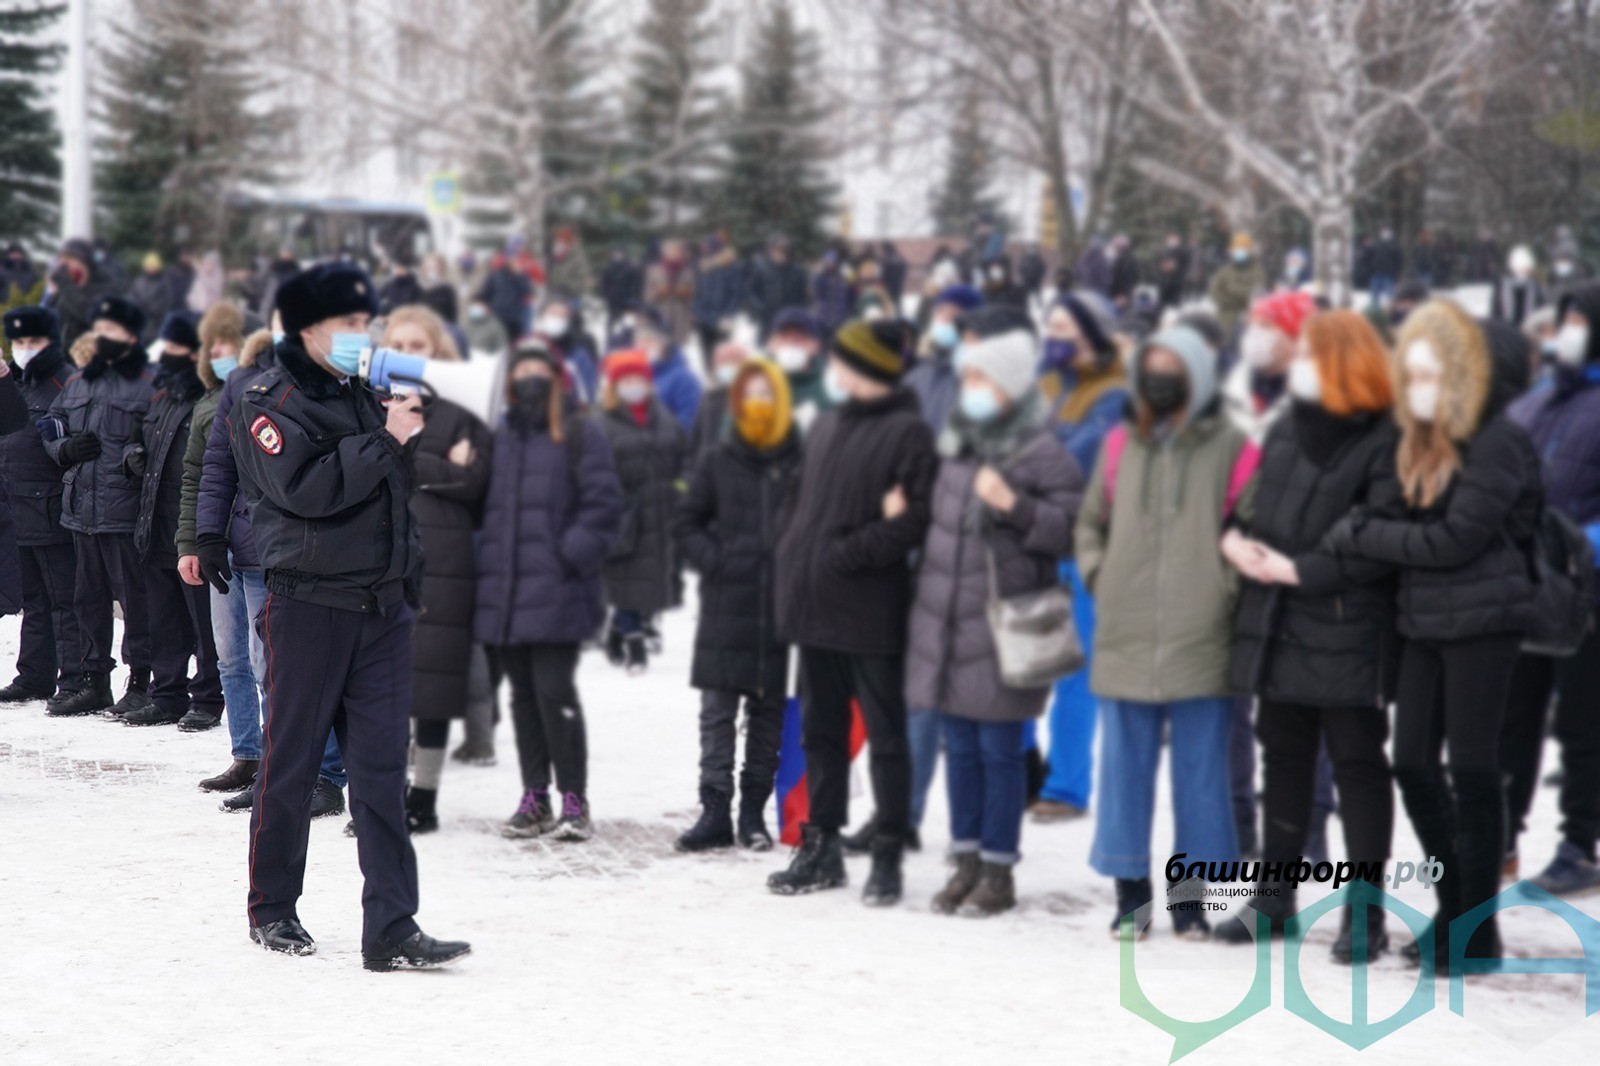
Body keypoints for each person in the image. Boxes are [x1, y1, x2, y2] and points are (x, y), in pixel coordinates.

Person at [229, 261, 470, 969]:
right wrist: (386, 440)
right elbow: (306, 490)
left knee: (378, 772)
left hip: (382, 609)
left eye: (367, 323)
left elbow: (396, 495)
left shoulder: (367, 392)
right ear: (308, 330)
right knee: (292, 763)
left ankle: (392, 925)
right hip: (308, 606)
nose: (362, 336)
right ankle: (273, 907)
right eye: (349, 325)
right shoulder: (266, 399)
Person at [1322, 299, 1542, 970]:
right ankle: (1456, 911)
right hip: (1423, 618)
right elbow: (1398, 518)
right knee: (1412, 760)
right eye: (1407, 373)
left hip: (1484, 617)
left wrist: (1366, 533)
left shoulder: (1498, 439)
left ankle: (1475, 931)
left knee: (1472, 768)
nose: (1414, 385)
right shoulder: (1421, 438)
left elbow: (1456, 539)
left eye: (1426, 373)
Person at [1211, 310, 1402, 963]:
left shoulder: (1385, 437)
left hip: (1347, 622)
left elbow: (1380, 533)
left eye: (1312, 355)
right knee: (1283, 756)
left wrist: (1304, 570)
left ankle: (1364, 911)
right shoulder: (1290, 423)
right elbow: (1257, 499)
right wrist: (1235, 535)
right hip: (1278, 618)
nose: (1297, 364)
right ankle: (1274, 896)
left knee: (1356, 764)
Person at [1078, 324, 1257, 940]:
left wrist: (1222, 592)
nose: (1158, 377)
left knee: (1202, 775)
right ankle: (1132, 899)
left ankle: (1189, 900)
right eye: (1150, 365)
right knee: (1123, 774)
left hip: (1202, 633)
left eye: (1171, 367)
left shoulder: (1234, 446)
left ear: (1199, 375)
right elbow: (1090, 523)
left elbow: (1247, 528)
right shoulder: (1117, 444)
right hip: (1125, 631)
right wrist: (1101, 576)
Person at [906, 328, 1083, 916]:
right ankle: (966, 861)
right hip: (950, 621)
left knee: (1000, 750)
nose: (971, 389)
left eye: (982, 379)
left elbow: (1072, 528)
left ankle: (999, 869)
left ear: (1008, 385)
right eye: (968, 379)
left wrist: (1015, 506)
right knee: (959, 748)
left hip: (1007, 625)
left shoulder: (1041, 452)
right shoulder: (956, 445)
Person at [769, 319, 937, 906]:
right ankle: (822, 846)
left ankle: (888, 851)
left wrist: (846, 553)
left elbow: (914, 519)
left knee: (887, 736)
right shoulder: (827, 424)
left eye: (844, 361)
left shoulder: (909, 432)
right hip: (814, 602)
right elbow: (799, 502)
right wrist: (791, 551)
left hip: (870, 607)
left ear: (868, 367)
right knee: (821, 732)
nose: (834, 370)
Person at [191, 315, 350, 816]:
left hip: (288, 549)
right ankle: (259, 762)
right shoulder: (242, 381)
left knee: (283, 669)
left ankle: (321, 775)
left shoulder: (336, 378)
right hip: (240, 546)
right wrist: (207, 534)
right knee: (237, 659)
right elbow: (217, 463)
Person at [477, 339, 621, 841]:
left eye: (541, 368)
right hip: (508, 591)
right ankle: (534, 794)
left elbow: (604, 507)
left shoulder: (581, 432)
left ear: (557, 377)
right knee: (520, 696)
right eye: (524, 370)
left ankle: (574, 798)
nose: (531, 377)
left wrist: (568, 555)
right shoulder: (502, 436)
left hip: (559, 589)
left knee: (555, 690)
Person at [672, 358, 801, 853]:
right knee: (718, 711)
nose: (759, 404)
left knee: (768, 712)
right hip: (728, 603)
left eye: (768, 395)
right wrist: (716, 560)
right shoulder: (718, 459)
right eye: (750, 394)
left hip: (779, 608)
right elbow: (686, 521)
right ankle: (714, 811)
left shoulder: (799, 461)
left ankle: (752, 814)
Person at [380, 306, 492, 834]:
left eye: (417, 344)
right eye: (398, 342)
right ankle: (383, 792)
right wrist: (438, 463)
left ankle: (422, 794)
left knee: (434, 684)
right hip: (380, 556)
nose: (407, 352)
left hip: (445, 561)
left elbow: (475, 480)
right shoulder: (369, 403)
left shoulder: (460, 409)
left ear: (436, 351)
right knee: (382, 683)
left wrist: (408, 453)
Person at [1503, 285, 1600, 895]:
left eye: (1576, 321)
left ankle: (1579, 841)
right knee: (1510, 716)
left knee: (1584, 720)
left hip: (1585, 591)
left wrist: (1581, 544)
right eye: (1561, 320)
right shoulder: (1536, 402)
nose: (1563, 330)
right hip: (1522, 584)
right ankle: (1500, 835)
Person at [1030, 290, 1129, 824]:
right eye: (1052, 327)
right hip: (1033, 541)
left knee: (1073, 672)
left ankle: (1067, 786)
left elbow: (1075, 462)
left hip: (1081, 547)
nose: (1056, 338)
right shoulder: (1045, 385)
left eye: (1066, 328)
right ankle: (1024, 770)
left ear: (1093, 334)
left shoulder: (1116, 395)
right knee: (1024, 660)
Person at [41, 296, 157, 718]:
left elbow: (159, 439)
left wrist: (137, 457)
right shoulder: (78, 381)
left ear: (130, 335)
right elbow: (49, 425)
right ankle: (94, 682)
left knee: (136, 602)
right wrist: (63, 448)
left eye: (111, 331)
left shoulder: (149, 382)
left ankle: (142, 681)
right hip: (80, 510)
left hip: (123, 511)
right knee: (86, 599)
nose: (102, 337)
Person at [177, 306, 265, 784]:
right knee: (229, 656)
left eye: (226, 343)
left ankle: (277, 759)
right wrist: (190, 542)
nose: (218, 354)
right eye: (212, 346)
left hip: (262, 549)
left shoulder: (271, 392)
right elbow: (199, 478)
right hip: (221, 547)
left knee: (264, 659)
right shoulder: (211, 402)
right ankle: (246, 752)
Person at [123, 311, 223, 727]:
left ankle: (207, 697)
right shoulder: (160, 396)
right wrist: (132, 458)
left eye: (177, 347)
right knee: (164, 620)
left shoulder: (209, 399)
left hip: (191, 529)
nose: (167, 354)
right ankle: (167, 694)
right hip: (155, 527)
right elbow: (137, 440)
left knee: (205, 625)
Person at [0, 307, 80, 705]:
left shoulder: (64, 381)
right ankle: (34, 675)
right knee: (32, 599)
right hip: (16, 508)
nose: (25, 349)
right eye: (19, 342)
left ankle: (74, 677)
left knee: (64, 599)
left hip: (52, 507)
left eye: (33, 342)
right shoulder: (14, 382)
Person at [598, 349, 688, 675]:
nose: (634, 385)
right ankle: (634, 643)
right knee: (624, 578)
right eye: (627, 380)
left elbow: (686, 458)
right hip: (622, 515)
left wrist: (681, 489)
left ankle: (617, 630)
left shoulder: (664, 418)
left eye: (639, 379)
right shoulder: (601, 422)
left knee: (649, 581)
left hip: (661, 514)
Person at [1224, 291, 1316, 445]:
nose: (1253, 333)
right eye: (1251, 325)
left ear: (1294, 338)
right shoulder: (1233, 385)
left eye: (1265, 326)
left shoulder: (1313, 398)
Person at [904, 284, 983, 434]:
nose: (944, 320)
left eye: (954, 313)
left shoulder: (982, 376)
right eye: (940, 312)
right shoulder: (919, 371)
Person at [635, 306, 702, 432]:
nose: (642, 346)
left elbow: (687, 425)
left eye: (649, 340)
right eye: (639, 341)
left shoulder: (684, 379)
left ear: (664, 343)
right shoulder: (634, 378)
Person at [46, 238, 119, 350]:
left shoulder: (105, 288)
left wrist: (65, 285)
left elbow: (88, 314)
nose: (64, 265)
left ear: (85, 262)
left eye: (70, 258)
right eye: (62, 259)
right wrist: (54, 294)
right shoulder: (66, 289)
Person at [766, 308, 830, 432]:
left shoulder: (830, 385)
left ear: (816, 346)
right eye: (784, 336)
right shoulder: (756, 381)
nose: (791, 343)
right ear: (771, 344)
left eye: (799, 337)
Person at [688, 341, 750, 466]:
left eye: (734, 361)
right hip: (705, 473)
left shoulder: (751, 399)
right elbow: (696, 441)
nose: (729, 366)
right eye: (724, 362)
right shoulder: (708, 398)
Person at [692, 236, 746, 370]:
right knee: (706, 350)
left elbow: (737, 293)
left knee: (723, 351)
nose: (704, 250)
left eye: (707, 246)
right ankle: (710, 375)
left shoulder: (731, 267)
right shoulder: (702, 267)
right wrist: (697, 311)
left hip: (724, 317)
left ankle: (723, 379)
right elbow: (696, 292)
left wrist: (729, 314)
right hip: (704, 317)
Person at [534, 296, 600, 403]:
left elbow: (589, 389)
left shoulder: (578, 353)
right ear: (542, 316)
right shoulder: (529, 348)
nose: (557, 319)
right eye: (553, 314)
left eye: (562, 316)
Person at [747, 236, 810, 342]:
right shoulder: (761, 269)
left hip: (789, 322)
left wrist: (798, 314)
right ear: (770, 251)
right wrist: (760, 308)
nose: (779, 254)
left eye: (782, 250)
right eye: (776, 250)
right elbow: (752, 292)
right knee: (765, 353)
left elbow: (804, 297)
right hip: (767, 321)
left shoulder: (797, 271)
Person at [1209, 233, 1266, 337]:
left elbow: (1255, 293)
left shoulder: (1257, 271)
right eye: (1237, 249)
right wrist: (1236, 298)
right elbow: (1215, 291)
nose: (1239, 252)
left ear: (1250, 251)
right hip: (1224, 320)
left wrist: (1231, 289)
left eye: (1243, 249)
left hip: (1247, 320)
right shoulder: (1225, 270)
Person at [644, 239, 695, 345]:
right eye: (671, 251)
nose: (674, 254)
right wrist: (657, 292)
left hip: (681, 320)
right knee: (662, 351)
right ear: (664, 253)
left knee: (678, 352)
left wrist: (687, 293)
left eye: (677, 251)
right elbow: (647, 297)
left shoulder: (687, 271)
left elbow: (694, 296)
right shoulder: (654, 270)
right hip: (661, 318)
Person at [476, 254, 534, 347]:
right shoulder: (494, 274)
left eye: (515, 259)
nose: (513, 261)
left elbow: (527, 291)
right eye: (510, 258)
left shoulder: (522, 275)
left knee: (514, 345)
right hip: (497, 317)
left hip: (515, 318)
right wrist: (479, 301)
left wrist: (519, 275)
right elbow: (485, 293)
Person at [1491, 246, 1547, 328]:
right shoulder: (1501, 286)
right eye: (1520, 267)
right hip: (1508, 331)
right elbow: (1496, 313)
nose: (1522, 270)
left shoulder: (1535, 287)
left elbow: (1540, 312)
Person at [128, 253, 177, 342]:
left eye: (153, 265)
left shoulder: (165, 281)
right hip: (141, 320)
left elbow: (168, 299)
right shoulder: (139, 281)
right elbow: (133, 297)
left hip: (157, 321)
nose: (151, 267)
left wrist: (154, 310)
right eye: (149, 265)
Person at [599, 247, 643, 341]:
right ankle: (610, 339)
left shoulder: (630, 268)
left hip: (626, 300)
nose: (618, 256)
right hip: (613, 299)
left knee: (627, 322)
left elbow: (634, 283)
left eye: (620, 253)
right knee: (611, 322)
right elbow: (604, 283)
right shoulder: (609, 267)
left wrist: (631, 296)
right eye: (616, 253)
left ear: (624, 255)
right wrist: (606, 294)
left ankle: (628, 340)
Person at [546, 226, 593, 299]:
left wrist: (571, 286)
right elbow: (554, 275)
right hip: (558, 294)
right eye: (557, 242)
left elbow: (584, 275)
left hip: (572, 294)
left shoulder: (576, 255)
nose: (558, 244)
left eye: (560, 242)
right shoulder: (557, 256)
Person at [1155, 233, 1190, 312]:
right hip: (1164, 282)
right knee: (1161, 305)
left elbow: (1186, 265)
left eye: (1174, 239)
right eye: (1170, 239)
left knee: (1175, 305)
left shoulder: (1182, 251)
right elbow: (1157, 264)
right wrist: (1163, 267)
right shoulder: (1162, 251)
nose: (1172, 242)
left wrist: (1175, 268)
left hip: (1176, 282)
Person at [1368, 229, 1403, 305]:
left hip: (1388, 273)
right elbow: (1370, 257)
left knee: (1390, 295)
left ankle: (1392, 308)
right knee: (1375, 295)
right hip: (1376, 272)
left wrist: (1395, 273)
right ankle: (1374, 310)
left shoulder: (1394, 246)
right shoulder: (1376, 245)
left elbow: (1398, 261)